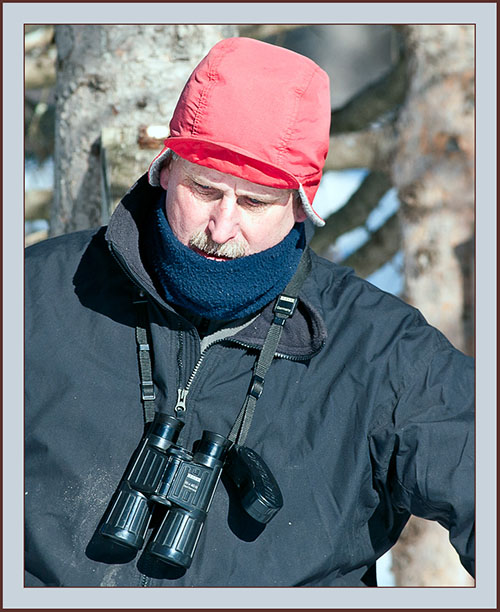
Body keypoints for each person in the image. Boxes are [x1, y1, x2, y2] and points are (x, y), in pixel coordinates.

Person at [25, 36, 474, 588]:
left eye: (256, 201)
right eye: (204, 189)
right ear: (163, 169)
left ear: (304, 203)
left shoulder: (383, 351)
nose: (222, 227)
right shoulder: (36, 295)